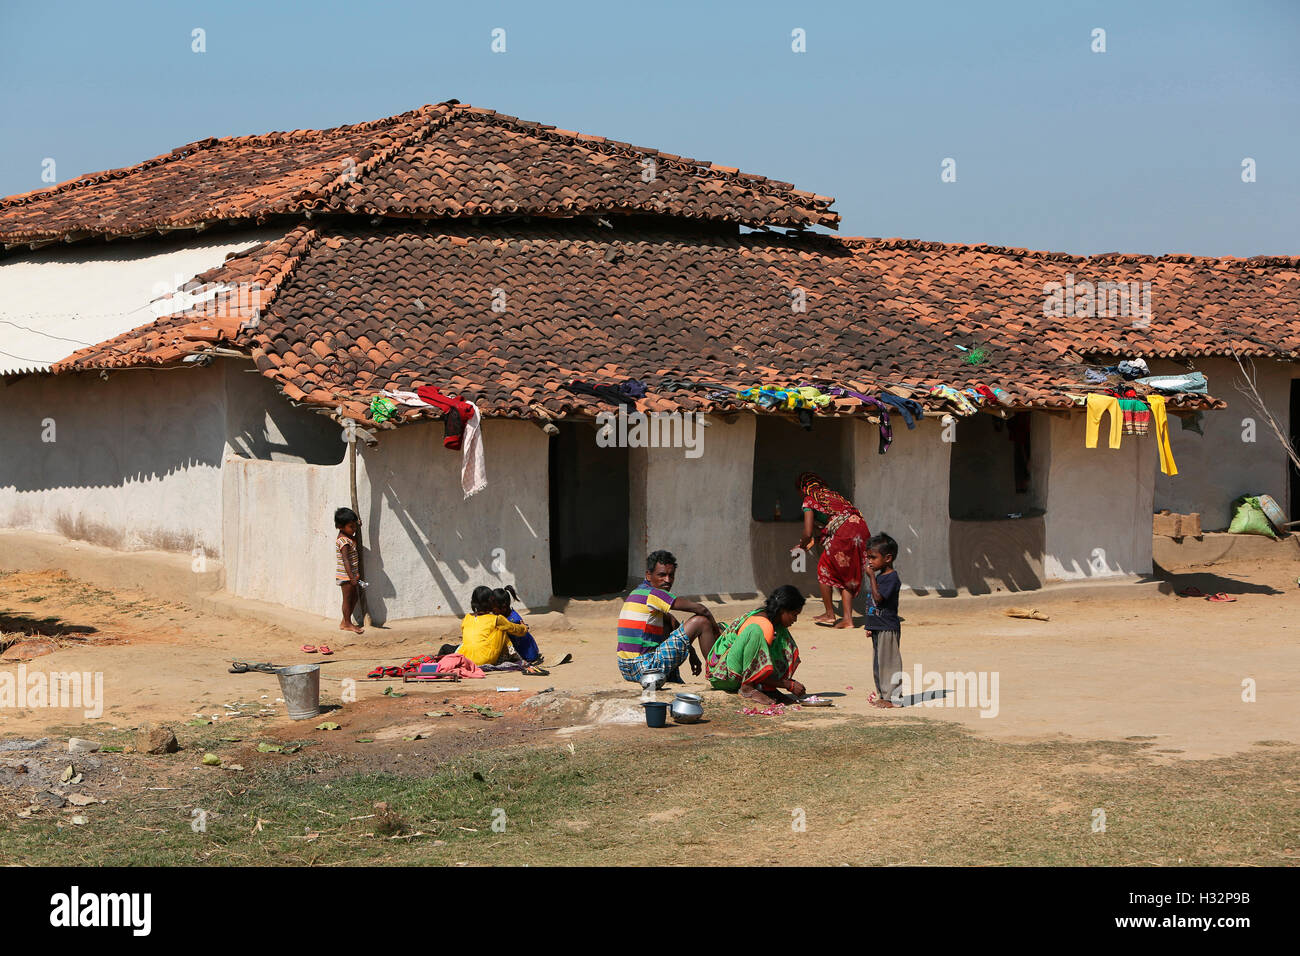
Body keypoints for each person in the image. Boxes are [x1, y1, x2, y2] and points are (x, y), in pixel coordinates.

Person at [616, 550, 720, 685]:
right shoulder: (654, 593)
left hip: (626, 668)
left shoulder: (637, 593)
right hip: (644, 667)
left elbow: (672, 622)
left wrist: (692, 653)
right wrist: (717, 632)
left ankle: (673, 679)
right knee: (702, 622)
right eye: (662, 575)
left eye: (671, 576)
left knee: (667, 621)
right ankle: (719, 673)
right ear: (648, 575)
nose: (667, 580)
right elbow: (701, 609)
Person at [705, 585, 807, 705]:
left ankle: (768, 689)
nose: (795, 620)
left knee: (784, 641)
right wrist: (788, 684)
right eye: (794, 615)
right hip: (724, 676)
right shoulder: (763, 624)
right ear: (782, 610)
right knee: (755, 630)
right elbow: (753, 665)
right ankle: (747, 688)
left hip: (739, 673)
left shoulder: (776, 625)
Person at [794, 471, 871, 629]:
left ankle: (830, 614)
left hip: (845, 533)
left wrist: (801, 545)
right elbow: (831, 522)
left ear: (803, 489)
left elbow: (807, 533)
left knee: (824, 569)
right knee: (847, 573)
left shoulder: (809, 500)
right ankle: (848, 619)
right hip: (861, 530)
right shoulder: (833, 496)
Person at [863, 533, 903, 708]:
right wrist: (870, 625)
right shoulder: (879, 577)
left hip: (888, 627)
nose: (869, 562)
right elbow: (873, 605)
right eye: (868, 557)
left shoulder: (891, 578)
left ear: (888, 558)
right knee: (878, 664)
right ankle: (883, 695)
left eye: (873, 557)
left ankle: (894, 698)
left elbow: (879, 599)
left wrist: (871, 577)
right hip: (878, 627)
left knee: (889, 663)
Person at [458, 585, 529, 666]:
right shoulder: (496, 619)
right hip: (486, 659)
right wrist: (524, 627)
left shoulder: (466, 618)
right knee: (502, 629)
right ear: (490, 602)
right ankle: (512, 656)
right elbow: (516, 630)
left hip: (466, 658)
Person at [491, 585, 542, 664]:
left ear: (503, 607)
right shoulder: (507, 616)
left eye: (493, 608)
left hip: (527, 655)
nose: (491, 611)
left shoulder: (514, 621)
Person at [334, 507, 364, 635]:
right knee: (347, 599)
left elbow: (355, 540)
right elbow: (346, 560)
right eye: (351, 527)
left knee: (354, 597)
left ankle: (345, 621)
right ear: (340, 527)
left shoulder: (348, 536)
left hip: (350, 575)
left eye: (355, 526)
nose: (354, 529)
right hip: (346, 576)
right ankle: (347, 623)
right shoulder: (343, 541)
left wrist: (357, 529)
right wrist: (351, 577)